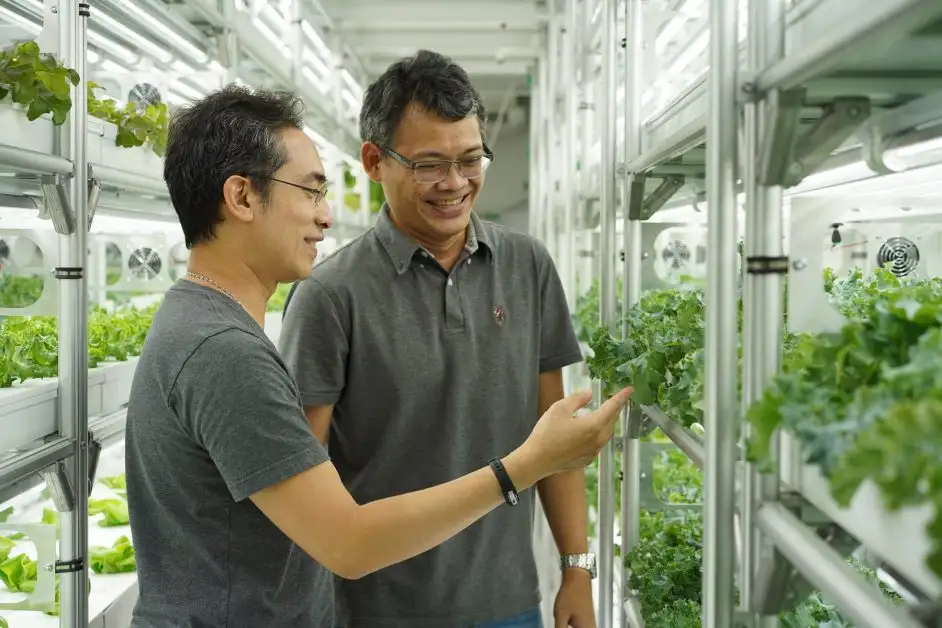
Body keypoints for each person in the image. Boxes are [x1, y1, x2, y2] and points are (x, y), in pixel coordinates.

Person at [122, 84, 631, 628]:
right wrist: (525, 465)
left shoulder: (203, 325)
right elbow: (348, 542)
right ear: (243, 197)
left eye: (469, 159)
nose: (325, 217)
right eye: (311, 191)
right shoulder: (225, 351)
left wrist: (574, 560)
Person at [278, 51, 595, 628]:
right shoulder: (330, 296)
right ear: (375, 161)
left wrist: (577, 569)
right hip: (375, 613)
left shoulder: (527, 267)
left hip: (509, 604)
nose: (454, 183)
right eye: (428, 165)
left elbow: (554, 438)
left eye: (471, 159)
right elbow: (302, 490)